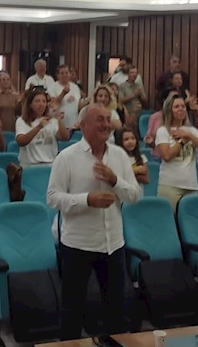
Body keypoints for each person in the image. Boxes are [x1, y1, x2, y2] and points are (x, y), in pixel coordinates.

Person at [46, 104, 142, 340]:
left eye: (108, 119)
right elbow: (53, 197)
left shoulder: (119, 155)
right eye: (100, 119)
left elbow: (134, 195)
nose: (106, 124)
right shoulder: (67, 157)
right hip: (78, 244)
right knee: (72, 312)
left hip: (113, 244)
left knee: (116, 311)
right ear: (83, 125)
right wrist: (87, 200)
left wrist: (114, 180)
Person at [156, 94, 198, 212]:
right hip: (170, 185)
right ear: (169, 110)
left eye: (183, 106)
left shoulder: (191, 131)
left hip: (191, 185)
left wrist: (190, 136)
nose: (181, 109)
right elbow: (166, 156)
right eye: (176, 107)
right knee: (170, 218)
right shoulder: (162, 131)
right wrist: (182, 141)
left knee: (190, 219)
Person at [15, 88, 69, 168]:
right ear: (30, 104)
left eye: (44, 101)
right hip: (29, 166)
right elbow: (21, 141)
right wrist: (39, 127)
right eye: (37, 101)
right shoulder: (21, 121)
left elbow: (65, 137)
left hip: (50, 164)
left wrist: (59, 119)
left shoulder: (52, 121)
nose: (41, 104)